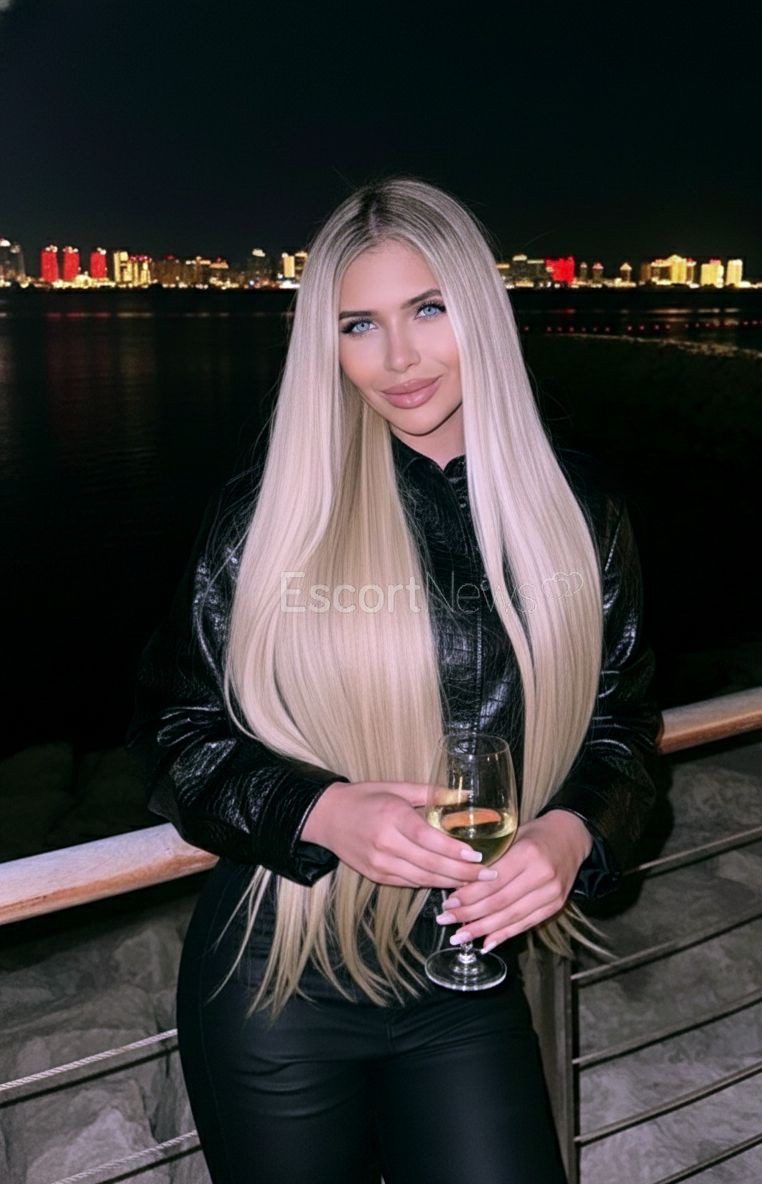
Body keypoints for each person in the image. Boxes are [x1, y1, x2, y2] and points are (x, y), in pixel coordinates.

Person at [125, 175, 661, 1184]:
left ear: (481, 310)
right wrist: (322, 810)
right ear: (325, 346)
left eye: (428, 308)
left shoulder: (580, 511)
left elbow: (623, 728)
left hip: (466, 976)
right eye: (359, 325)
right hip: (282, 972)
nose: (398, 357)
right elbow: (174, 732)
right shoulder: (272, 515)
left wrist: (573, 832)